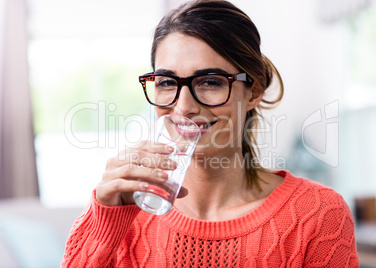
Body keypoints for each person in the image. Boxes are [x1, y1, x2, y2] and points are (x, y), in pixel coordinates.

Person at [61, 0, 359, 267]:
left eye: (210, 82)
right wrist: (104, 223)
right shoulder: (123, 211)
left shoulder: (317, 213)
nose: (184, 107)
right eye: (166, 82)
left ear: (253, 92)